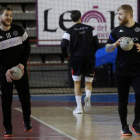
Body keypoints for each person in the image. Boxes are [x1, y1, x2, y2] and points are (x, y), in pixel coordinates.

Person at [106, 4, 140, 136]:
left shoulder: (139, 29)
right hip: (121, 70)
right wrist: (115, 44)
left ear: (128, 15)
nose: (118, 17)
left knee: (139, 95)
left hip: (137, 70)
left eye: (120, 14)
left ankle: (136, 123)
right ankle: (124, 126)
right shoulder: (116, 31)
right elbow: (107, 48)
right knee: (123, 100)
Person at [0, 7, 32, 137]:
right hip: (5, 73)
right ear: (0, 17)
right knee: (6, 100)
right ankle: (8, 127)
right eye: (6, 15)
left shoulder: (19, 30)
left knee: (25, 98)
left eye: (11, 15)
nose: (9, 17)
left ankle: (27, 121)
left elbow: (28, 47)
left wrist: (22, 64)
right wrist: (4, 70)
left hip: (19, 70)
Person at [61, 10, 99, 114]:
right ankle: (87, 97)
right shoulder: (91, 28)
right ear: (81, 18)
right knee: (88, 81)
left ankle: (79, 108)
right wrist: (92, 53)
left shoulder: (69, 31)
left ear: (71, 19)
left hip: (76, 59)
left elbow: (63, 45)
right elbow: (97, 43)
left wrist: (65, 55)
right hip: (89, 58)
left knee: (77, 82)